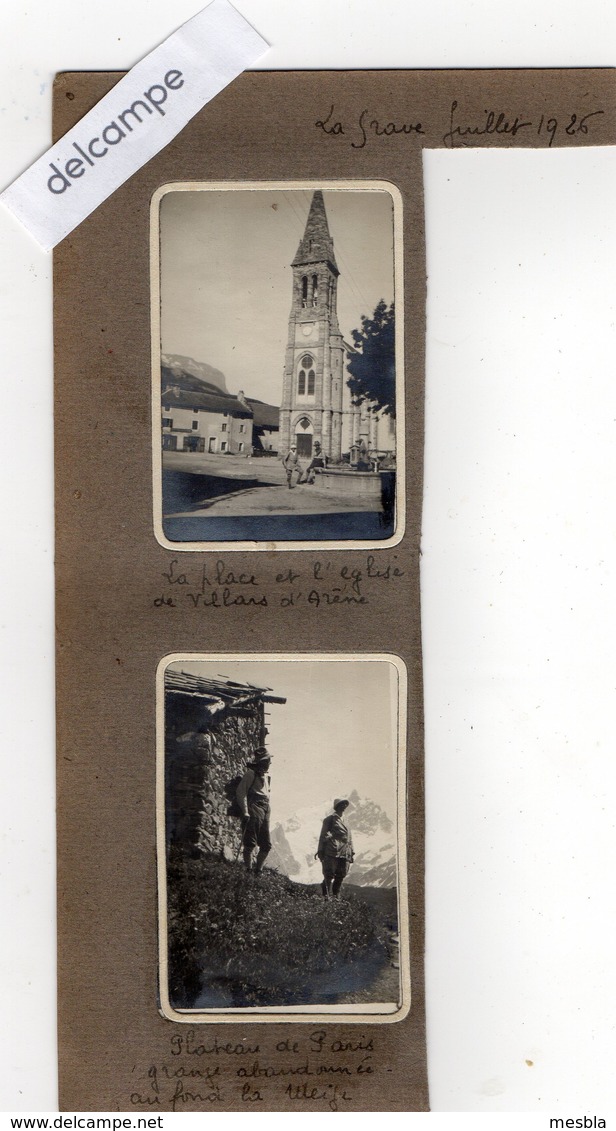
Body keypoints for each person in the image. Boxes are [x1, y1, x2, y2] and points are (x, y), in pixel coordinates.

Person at [236, 748, 273, 875]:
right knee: (250, 841)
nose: (270, 763)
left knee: (266, 844)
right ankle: (248, 869)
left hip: (265, 809)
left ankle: (258, 871)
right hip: (254, 807)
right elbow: (241, 792)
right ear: (263, 761)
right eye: (268, 760)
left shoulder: (266, 777)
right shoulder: (250, 774)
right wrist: (245, 811)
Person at [316, 798, 354, 900]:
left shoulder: (346, 820)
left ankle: (336, 894)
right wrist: (320, 850)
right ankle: (327, 894)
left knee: (341, 874)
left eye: (345, 804)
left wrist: (352, 851)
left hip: (345, 852)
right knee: (329, 873)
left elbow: (349, 837)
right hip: (332, 850)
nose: (344, 806)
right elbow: (322, 836)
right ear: (337, 806)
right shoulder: (330, 819)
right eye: (342, 804)